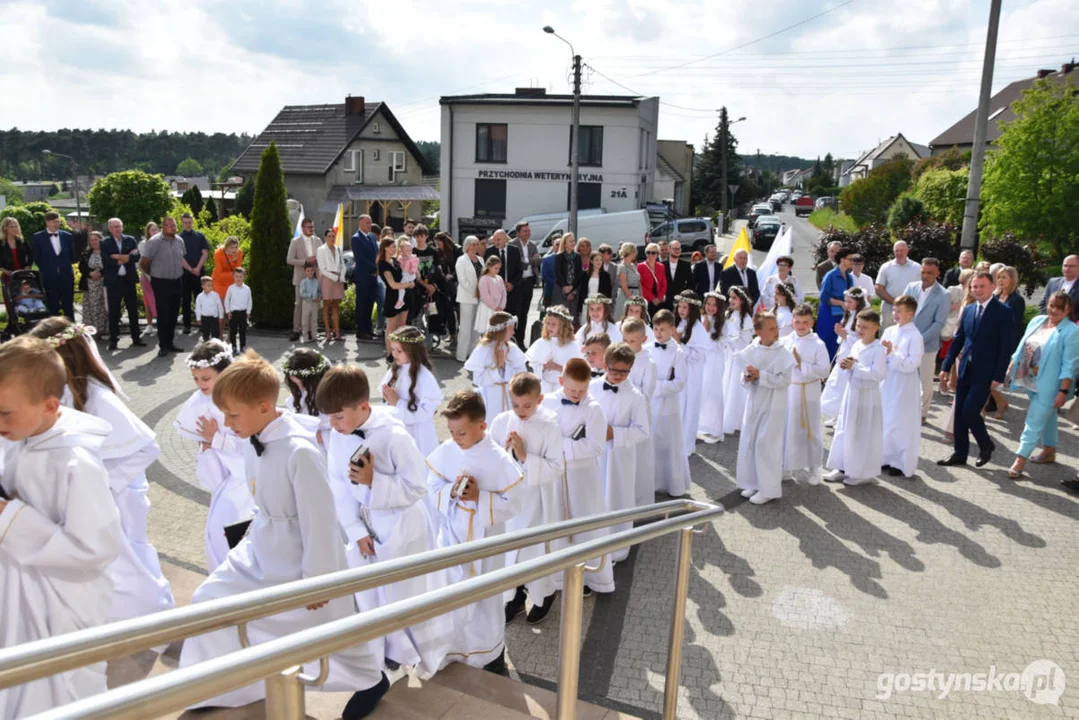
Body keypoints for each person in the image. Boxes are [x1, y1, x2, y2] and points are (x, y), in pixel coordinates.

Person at [178, 351, 389, 717]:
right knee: (208, 599)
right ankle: (221, 685)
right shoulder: (254, 438)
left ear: (263, 407)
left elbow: (319, 520)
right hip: (262, 546)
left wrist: (318, 579)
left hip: (300, 556)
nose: (226, 425)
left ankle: (371, 678)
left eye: (232, 415)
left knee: (330, 626)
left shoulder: (299, 451)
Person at [0, 336, 123, 717]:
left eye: (4, 413)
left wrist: (10, 518)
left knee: (55, 693)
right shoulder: (24, 437)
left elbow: (96, 547)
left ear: (50, 405)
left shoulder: (75, 462)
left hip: (59, 601)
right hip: (21, 591)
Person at [29, 318, 175, 620]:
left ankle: (152, 615)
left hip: (117, 496)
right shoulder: (65, 390)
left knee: (124, 561)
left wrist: (103, 485)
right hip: (91, 495)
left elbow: (146, 446)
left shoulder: (98, 396)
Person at [317, 363, 452, 676]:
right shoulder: (340, 435)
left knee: (404, 592)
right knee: (372, 593)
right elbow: (338, 483)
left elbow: (419, 484)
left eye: (338, 416)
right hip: (365, 526)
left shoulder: (393, 436)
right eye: (329, 417)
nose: (333, 424)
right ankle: (387, 649)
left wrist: (373, 482)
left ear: (363, 406)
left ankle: (413, 649)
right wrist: (354, 528)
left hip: (402, 525)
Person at [427, 390, 525, 674]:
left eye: (461, 432)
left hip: (485, 542)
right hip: (452, 536)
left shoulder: (499, 461)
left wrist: (479, 498)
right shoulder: (448, 451)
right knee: (448, 592)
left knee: (484, 597)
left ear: (482, 426)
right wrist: (450, 492)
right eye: (452, 432)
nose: (455, 438)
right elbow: (431, 485)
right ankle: (450, 649)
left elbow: (514, 504)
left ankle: (487, 653)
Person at [493, 372, 565, 626]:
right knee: (512, 550)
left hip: (537, 500)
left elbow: (557, 467)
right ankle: (514, 596)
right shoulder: (502, 421)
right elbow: (491, 456)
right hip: (511, 500)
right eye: (515, 405)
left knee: (533, 550)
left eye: (527, 405)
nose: (520, 411)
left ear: (540, 400)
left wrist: (524, 456)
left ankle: (544, 594)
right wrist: (504, 451)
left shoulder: (550, 427)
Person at [174, 339, 252, 571]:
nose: (200, 384)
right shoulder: (199, 403)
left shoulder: (243, 398)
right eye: (196, 379)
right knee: (218, 535)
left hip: (247, 482)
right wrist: (207, 447)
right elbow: (206, 445)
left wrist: (216, 438)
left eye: (206, 378)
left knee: (237, 536)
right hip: (222, 482)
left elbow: (251, 447)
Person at [543, 358, 614, 596]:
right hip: (555, 475)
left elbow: (596, 446)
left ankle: (590, 575)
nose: (576, 395)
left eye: (581, 390)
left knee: (585, 522)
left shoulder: (594, 409)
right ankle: (557, 575)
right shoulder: (549, 401)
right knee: (556, 521)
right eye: (572, 389)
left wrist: (561, 447)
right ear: (561, 381)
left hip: (582, 476)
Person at [938, 272, 1015, 468]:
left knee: (970, 411)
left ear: (991, 287)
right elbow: (960, 339)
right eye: (974, 286)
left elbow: (1006, 347)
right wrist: (946, 366)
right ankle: (960, 454)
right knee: (959, 414)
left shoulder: (1003, 312)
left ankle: (986, 444)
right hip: (966, 368)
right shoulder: (970, 309)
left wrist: (999, 376)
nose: (977, 290)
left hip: (986, 372)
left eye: (982, 286)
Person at [1004, 291, 1078, 478]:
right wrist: (1013, 363)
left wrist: (1063, 390)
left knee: (1034, 420)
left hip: (1051, 385)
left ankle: (1020, 459)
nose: (1054, 310)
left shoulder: (1072, 331)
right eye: (1052, 305)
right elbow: (1023, 343)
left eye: (1060, 308)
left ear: (1068, 309)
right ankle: (1049, 450)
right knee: (1049, 415)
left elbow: (1070, 364)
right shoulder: (1038, 321)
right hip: (1029, 379)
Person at [591, 342, 649, 563]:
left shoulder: (636, 397)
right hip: (595, 454)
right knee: (595, 496)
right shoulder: (593, 387)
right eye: (614, 370)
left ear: (630, 370)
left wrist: (614, 433)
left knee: (617, 496)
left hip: (619, 457)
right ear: (605, 365)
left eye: (623, 371)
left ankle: (616, 547)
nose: (618, 375)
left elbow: (643, 431)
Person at [735, 312, 795, 505]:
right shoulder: (751, 350)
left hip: (773, 404)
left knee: (766, 444)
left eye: (776, 326)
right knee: (750, 441)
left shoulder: (783, 353)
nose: (776, 331)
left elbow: (785, 380)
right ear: (759, 332)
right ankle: (753, 481)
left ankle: (769, 488)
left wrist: (762, 375)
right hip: (754, 402)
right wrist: (748, 377)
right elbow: (743, 377)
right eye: (770, 328)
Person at [823, 310, 887, 486]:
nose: (860, 329)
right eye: (858, 325)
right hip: (852, 392)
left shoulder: (878, 349)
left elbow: (878, 374)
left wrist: (855, 367)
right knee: (845, 428)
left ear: (875, 328)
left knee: (861, 431)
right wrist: (846, 365)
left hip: (867, 395)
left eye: (865, 327)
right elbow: (852, 363)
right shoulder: (857, 344)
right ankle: (842, 466)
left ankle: (861, 471)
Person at [782, 304, 830, 485]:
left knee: (810, 429)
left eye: (805, 322)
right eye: (797, 322)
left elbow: (825, 370)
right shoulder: (787, 340)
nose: (801, 326)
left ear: (812, 322)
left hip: (808, 390)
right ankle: (788, 466)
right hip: (790, 390)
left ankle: (814, 468)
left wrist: (801, 363)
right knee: (789, 429)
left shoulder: (818, 344)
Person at [880, 295, 925, 478]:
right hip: (889, 380)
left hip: (905, 383)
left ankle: (900, 462)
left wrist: (892, 355)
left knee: (902, 421)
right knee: (887, 418)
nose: (895, 314)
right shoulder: (890, 331)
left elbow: (912, 364)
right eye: (894, 310)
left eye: (899, 311)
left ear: (910, 314)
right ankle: (884, 456)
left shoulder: (915, 336)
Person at [380, 326, 441, 455]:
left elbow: (425, 413)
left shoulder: (424, 377)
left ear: (412, 351)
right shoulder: (396, 369)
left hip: (417, 435)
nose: (394, 354)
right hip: (397, 431)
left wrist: (397, 403)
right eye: (393, 349)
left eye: (399, 351)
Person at [902, 258, 950, 422]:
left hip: (927, 345)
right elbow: (902, 312)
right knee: (906, 377)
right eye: (923, 272)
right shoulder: (911, 287)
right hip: (906, 342)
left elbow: (939, 322)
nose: (926, 275)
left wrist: (919, 340)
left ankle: (922, 413)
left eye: (930, 273)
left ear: (937, 274)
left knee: (925, 381)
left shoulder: (944, 294)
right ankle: (906, 409)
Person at [650, 310, 691, 497]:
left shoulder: (678, 352)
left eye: (663, 329)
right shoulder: (648, 348)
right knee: (653, 443)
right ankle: (653, 481)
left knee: (669, 443)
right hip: (650, 404)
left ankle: (673, 484)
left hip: (668, 405)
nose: (658, 333)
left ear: (672, 329)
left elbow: (680, 382)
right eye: (656, 328)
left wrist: (657, 387)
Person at [620, 317, 658, 504]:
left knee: (640, 459)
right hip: (621, 415)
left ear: (643, 340)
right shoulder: (620, 357)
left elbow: (646, 395)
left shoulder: (648, 363)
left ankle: (640, 501)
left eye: (632, 341)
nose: (627, 345)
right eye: (624, 340)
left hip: (638, 416)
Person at [465, 311, 527, 424]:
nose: (513, 332)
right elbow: (478, 379)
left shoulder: (512, 348)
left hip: (511, 395)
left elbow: (523, 375)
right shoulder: (483, 349)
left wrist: (505, 367)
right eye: (510, 329)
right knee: (492, 423)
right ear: (501, 330)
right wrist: (497, 368)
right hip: (491, 396)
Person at [139, 216, 186, 357]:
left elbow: (181, 258)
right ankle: (163, 345)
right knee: (163, 315)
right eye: (169, 225)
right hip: (161, 282)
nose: (172, 227)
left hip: (176, 280)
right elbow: (143, 263)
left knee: (173, 314)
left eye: (174, 225)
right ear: (163, 226)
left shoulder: (180, 241)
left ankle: (170, 343)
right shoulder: (154, 242)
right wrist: (154, 276)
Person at [821, 288, 868, 422]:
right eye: (846, 301)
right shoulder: (848, 315)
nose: (846, 304)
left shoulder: (861, 317)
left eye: (849, 301)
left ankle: (845, 417)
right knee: (838, 384)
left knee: (846, 385)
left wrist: (845, 335)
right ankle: (837, 414)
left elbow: (861, 340)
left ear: (858, 302)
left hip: (853, 355)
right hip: (844, 351)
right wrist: (840, 334)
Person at [102, 218, 145, 350]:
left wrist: (118, 256)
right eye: (114, 227)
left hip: (128, 280)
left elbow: (136, 257)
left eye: (119, 226)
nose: (117, 229)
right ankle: (114, 340)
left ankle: (136, 338)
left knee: (133, 311)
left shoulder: (130, 240)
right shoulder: (105, 242)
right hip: (114, 282)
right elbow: (106, 261)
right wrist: (126, 257)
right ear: (110, 229)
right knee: (114, 312)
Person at [675, 291, 708, 456]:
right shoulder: (682, 324)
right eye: (680, 306)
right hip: (682, 373)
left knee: (689, 408)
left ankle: (686, 445)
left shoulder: (698, 328)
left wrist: (679, 343)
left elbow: (699, 355)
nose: (681, 310)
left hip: (692, 375)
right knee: (681, 406)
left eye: (685, 307)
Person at [30, 211, 75, 319]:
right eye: (54, 222)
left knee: (68, 305)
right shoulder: (38, 237)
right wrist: (48, 269)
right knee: (52, 306)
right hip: (49, 277)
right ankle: (54, 331)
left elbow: (72, 255)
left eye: (58, 222)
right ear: (47, 222)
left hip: (66, 276)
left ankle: (72, 331)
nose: (56, 224)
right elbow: (36, 257)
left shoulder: (67, 236)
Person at [527, 305, 581, 395]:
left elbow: (577, 371)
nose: (549, 327)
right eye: (548, 323)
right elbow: (533, 366)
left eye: (554, 324)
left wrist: (558, 367)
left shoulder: (572, 346)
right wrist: (544, 366)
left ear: (563, 326)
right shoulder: (542, 342)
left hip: (563, 389)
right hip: (544, 387)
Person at [722, 287, 754, 434]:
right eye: (730, 297)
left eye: (734, 298)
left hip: (738, 357)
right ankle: (724, 417)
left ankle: (736, 420)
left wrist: (730, 340)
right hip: (728, 355)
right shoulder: (728, 314)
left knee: (736, 387)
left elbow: (745, 341)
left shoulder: (746, 319)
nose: (731, 300)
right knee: (726, 385)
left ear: (741, 300)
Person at [698, 292, 727, 444]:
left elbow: (720, 345)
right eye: (708, 304)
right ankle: (702, 425)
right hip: (703, 360)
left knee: (713, 392)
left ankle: (716, 429)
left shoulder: (722, 323)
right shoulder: (702, 319)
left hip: (715, 361)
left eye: (714, 305)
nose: (710, 307)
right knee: (703, 391)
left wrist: (707, 332)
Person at [484, 230, 523, 344]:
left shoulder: (514, 250)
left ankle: (511, 341)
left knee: (511, 317)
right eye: (494, 239)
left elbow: (519, 270)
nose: (496, 242)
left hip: (512, 290)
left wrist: (512, 284)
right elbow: (487, 272)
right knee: (498, 319)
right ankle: (496, 341)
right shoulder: (489, 252)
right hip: (496, 293)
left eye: (499, 239)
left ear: (506, 239)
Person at [815, 248, 854, 358]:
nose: (852, 261)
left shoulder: (849, 277)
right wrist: (841, 303)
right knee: (827, 339)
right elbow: (824, 296)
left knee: (840, 340)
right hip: (828, 313)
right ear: (842, 260)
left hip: (843, 314)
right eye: (850, 259)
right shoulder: (830, 275)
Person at [378, 237, 412, 360]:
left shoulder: (395, 260)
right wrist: (408, 285)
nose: (394, 249)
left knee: (402, 326)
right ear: (386, 247)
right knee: (391, 327)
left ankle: (400, 352)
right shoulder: (382, 264)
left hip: (404, 297)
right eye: (392, 246)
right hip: (392, 298)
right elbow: (392, 285)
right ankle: (390, 353)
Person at [875, 241, 922, 330]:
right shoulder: (886, 267)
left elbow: (921, 288)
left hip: (909, 311)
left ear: (907, 251)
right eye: (897, 251)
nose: (899, 253)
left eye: (902, 250)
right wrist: (895, 302)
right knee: (887, 337)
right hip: (889, 310)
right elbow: (878, 288)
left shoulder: (917, 267)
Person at [287, 218, 320, 341]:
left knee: (314, 304)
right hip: (300, 278)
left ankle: (311, 331)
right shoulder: (295, 241)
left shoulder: (317, 240)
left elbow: (322, 256)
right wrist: (305, 261)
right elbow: (289, 259)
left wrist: (316, 261)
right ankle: (296, 330)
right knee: (299, 304)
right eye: (308, 227)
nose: (311, 229)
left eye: (312, 227)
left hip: (315, 278)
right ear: (302, 228)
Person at [510, 221, 541, 347]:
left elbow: (538, 261)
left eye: (528, 231)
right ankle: (512, 339)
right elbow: (518, 264)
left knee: (524, 313)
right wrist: (530, 261)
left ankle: (521, 340)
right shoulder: (512, 245)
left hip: (529, 282)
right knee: (515, 313)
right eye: (525, 231)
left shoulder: (532, 245)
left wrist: (533, 260)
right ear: (518, 233)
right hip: (517, 283)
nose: (528, 233)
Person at [179, 212, 210, 335]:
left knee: (201, 299)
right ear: (182, 222)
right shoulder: (178, 238)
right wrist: (190, 269)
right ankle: (187, 325)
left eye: (189, 222)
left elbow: (205, 253)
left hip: (199, 272)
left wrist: (197, 268)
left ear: (192, 222)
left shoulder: (200, 236)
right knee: (185, 300)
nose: (188, 224)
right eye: (185, 222)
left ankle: (202, 324)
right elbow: (179, 256)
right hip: (184, 273)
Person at [352, 215, 381, 341]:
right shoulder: (356, 238)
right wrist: (375, 269)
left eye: (370, 222)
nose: (370, 225)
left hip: (373, 277)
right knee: (362, 303)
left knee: (370, 303)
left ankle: (369, 329)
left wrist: (378, 267)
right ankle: (361, 330)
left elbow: (376, 255)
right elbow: (360, 259)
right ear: (361, 224)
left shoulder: (372, 237)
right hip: (363, 276)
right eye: (367, 223)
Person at [0, 216, 32, 329]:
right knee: (10, 300)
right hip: (9, 276)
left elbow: (31, 254)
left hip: (22, 275)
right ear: (5, 229)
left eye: (16, 226)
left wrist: (28, 265)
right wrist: (4, 270)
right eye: (11, 227)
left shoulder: (22, 241)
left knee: (24, 298)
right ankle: (12, 322)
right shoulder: (1, 243)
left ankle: (27, 321)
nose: (14, 229)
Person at [455, 235, 483, 362]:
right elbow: (462, 280)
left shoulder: (481, 260)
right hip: (467, 297)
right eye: (474, 244)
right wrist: (475, 292)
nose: (476, 247)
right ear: (467, 245)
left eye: (477, 244)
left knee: (476, 328)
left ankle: (472, 354)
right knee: (465, 327)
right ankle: (461, 355)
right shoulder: (461, 260)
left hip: (481, 298)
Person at [77, 231, 108, 336]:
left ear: (101, 240)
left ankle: (105, 329)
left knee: (104, 307)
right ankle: (93, 331)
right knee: (92, 307)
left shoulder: (107, 252)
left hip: (104, 283)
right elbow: (81, 267)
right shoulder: (86, 253)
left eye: (96, 239)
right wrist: (90, 273)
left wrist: (101, 274)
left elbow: (111, 265)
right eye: (91, 240)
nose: (93, 242)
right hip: (90, 284)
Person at [317, 228, 346, 342]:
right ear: (325, 237)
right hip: (328, 279)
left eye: (333, 236)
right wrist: (335, 277)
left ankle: (337, 331)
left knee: (336, 306)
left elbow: (342, 264)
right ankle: (327, 332)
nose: (332, 238)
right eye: (329, 236)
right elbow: (322, 269)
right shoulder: (321, 249)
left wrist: (342, 276)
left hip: (338, 279)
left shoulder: (338, 248)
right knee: (326, 306)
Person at [577, 251, 613, 322]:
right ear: (591, 261)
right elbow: (581, 292)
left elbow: (608, 293)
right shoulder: (585, 274)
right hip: (587, 305)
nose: (599, 262)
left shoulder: (606, 275)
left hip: (600, 305)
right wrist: (580, 307)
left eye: (600, 260)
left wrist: (607, 307)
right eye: (596, 260)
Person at [224, 268, 252, 353]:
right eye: (236, 276)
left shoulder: (247, 289)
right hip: (233, 313)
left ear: (244, 277)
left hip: (243, 313)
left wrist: (248, 312)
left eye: (240, 276)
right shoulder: (231, 288)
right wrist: (228, 311)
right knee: (233, 331)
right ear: (233, 277)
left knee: (242, 331)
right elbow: (226, 300)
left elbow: (249, 301)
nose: (238, 278)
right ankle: (234, 347)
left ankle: (242, 346)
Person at [638, 242, 668, 317]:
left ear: (657, 254)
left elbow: (664, 284)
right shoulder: (640, 266)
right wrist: (652, 298)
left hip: (659, 300)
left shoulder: (661, 266)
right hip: (647, 300)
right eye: (648, 252)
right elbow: (640, 285)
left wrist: (659, 297)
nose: (650, 255)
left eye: (653, 253)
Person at [553, 232, 580, 312]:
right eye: (570, 241)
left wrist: (572, 287)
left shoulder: (578, 256)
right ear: (564, 244)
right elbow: (559, 273)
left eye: (573, 241)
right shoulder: (559, 256)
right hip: (561, 289)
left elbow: (578, 274)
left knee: (573, 314)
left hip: (574, 289)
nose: (572, 243)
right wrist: (565, 287)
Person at [663, 240, 694, 309]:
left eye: (679, 248)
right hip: (665, 301)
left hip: (681, 301)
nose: (677, 250)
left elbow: (691, 283)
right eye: (674, 249)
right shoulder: (662, 265)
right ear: (669, 249)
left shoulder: (686, 265)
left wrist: (685, 296)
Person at [613, 243, 641, 321]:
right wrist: (632, 301)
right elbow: (624, 287)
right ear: (631, 252)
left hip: (636, 294)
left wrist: (641, 297)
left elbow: (639, 282)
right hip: (625, 297)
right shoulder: (622, 267)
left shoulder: (633, 265)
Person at [139, 222, 159, 327]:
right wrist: (150, 277)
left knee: (161, 299)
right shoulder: (143, 244)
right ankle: (149, 325)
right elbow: (142, 263)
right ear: (148, 232)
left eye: (156, 229)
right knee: (148, 300)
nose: (155, 232)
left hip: (160, 276)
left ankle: (162, 322)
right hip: (147, 276)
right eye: (152, 230)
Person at [195, 276, 225, 341]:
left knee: (215, 334)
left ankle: (215, 348)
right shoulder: (199, 297)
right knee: (205, 335)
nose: (211, 287)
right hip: (204, 319)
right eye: (208, 285)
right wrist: (198, 319)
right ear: (203, 286)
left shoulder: (215, 295)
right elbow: (198, 309)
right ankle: (206, 348)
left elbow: (220, 306)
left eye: (211, 285)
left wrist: (221, 317)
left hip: (214, 318)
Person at [395, 237, 419, 312]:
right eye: (406, 248)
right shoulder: (399, 258)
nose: (408, 250)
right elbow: (401, 267)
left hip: (410, 278)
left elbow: (415, 267)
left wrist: (413, 270)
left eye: (409, 248)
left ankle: (400, 300)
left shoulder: (413, 257)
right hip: (404, 278)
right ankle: (400, 300)